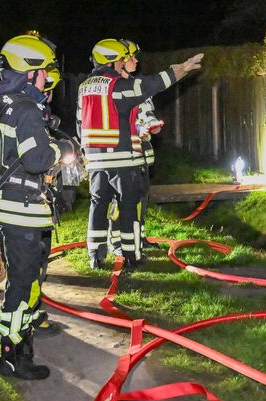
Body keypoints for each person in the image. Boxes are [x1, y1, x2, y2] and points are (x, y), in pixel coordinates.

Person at [0, 33, 74, 380]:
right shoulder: (25, 109)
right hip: (19, 209)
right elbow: (36, 159)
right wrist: (59, 150)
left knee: (22, 281)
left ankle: (20, 346)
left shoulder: (2, 101)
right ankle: (12, 358)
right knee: (22, 285)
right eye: (45, 72)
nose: (48, 78)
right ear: (29, 72)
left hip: (5, 206)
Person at [77, 39, 203, 269]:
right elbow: (151, 84)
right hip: (122, 157)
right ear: (113, 61)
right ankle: (132, 254)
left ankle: (95, 254)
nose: (127, 61)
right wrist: (182, 69)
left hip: (95, 159)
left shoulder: (84, 86)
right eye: (123, 58)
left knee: (98, 204)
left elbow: (79, 123)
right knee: (128, 205)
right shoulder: (117, 85)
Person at [108, 39, 163, 256]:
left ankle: (138, 237)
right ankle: (116, 241)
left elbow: (146, 112)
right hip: (121, 155)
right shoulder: (112, 88)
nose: (135, 60)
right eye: (131, 56)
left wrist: (150, 124)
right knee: (119, 200)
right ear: (120, 60)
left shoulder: (137, 85)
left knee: (140, 198)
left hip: (140, 155)